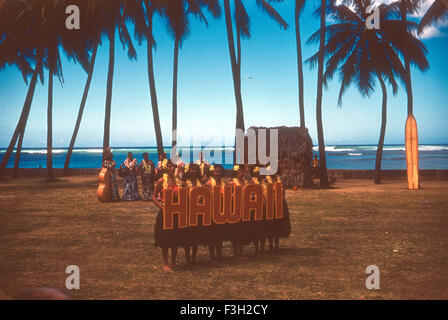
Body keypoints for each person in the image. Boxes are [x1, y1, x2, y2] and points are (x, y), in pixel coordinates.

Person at [152, 159, 183, 271]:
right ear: (166, 168)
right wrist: (162, 207)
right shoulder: (161, 181)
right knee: (165, 239)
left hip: (176, 212)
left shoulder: (178, 180)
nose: (172, 168)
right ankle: (165, 263)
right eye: (170, 166)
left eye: (174, 166)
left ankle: (173, 262)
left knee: (175, 238)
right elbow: (154, 197)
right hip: (165, 213)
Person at [206, 164, 226, 262]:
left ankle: (219, 254)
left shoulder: (224, 184)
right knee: (211, 235)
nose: (217, 173)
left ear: (222, 173)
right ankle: (212, 256)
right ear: (213, 172)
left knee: (220, 235)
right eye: (216, 171)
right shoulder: (209, 184)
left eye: (219, 172)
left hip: (221, 211)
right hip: (211, 211)